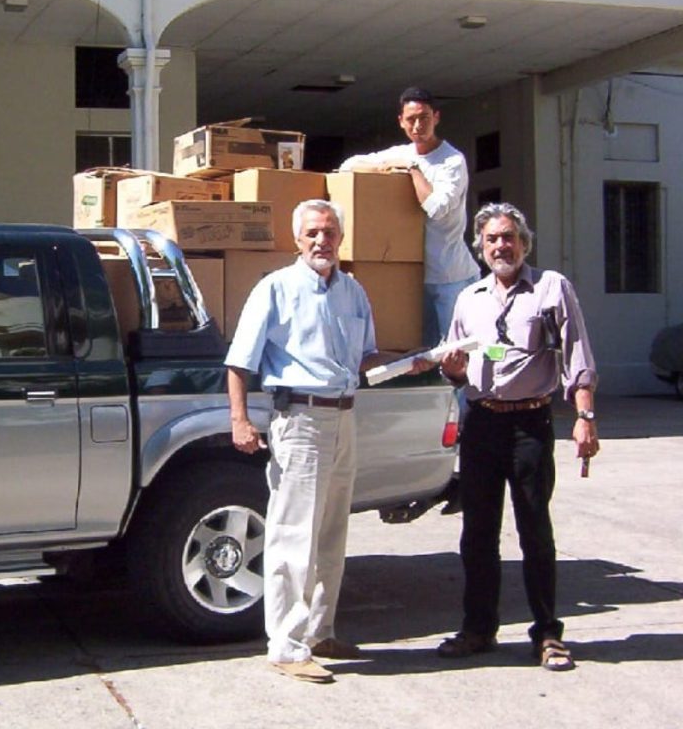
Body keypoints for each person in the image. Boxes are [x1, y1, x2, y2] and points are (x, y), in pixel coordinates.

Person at [225, 199, 398, 684]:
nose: (322, 241)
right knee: (293, 534)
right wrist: (240, 420)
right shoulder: (275, 289)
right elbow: (239, 363)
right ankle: (285, 645)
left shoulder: (353, 291)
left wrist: (412, 361)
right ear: (298, 240)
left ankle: (321, 632)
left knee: (331, 533)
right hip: (299, 420)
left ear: (341, 237)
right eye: (313, 233)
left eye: (330, 232)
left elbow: (364, 358)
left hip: (344, 417)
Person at [436, 202, 599, 672]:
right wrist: (452, 369)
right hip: (482, 423)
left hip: (531, 424)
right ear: (480, 248)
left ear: (524, 243)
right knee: (478, 534)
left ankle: (547, 634)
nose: (500, 246)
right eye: (491, 239)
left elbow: (578, 356)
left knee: (535, 530)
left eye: (508, 237)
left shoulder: (552, 288)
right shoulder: (470, 298)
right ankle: (478, 629)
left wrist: (584, 416)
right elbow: (458, 363)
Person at [339, 86, 480, 347]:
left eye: (424, 117)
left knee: (457, 353)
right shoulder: (401, 153)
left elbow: (437, 208)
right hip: (413, 276)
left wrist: (413, 170)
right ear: (401, 122)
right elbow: (349, 165)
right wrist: (386, 167)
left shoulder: (452, 161)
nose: (417, 126)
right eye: (411, 119)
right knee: (421, 354)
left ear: (436, 117)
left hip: (450, 277)